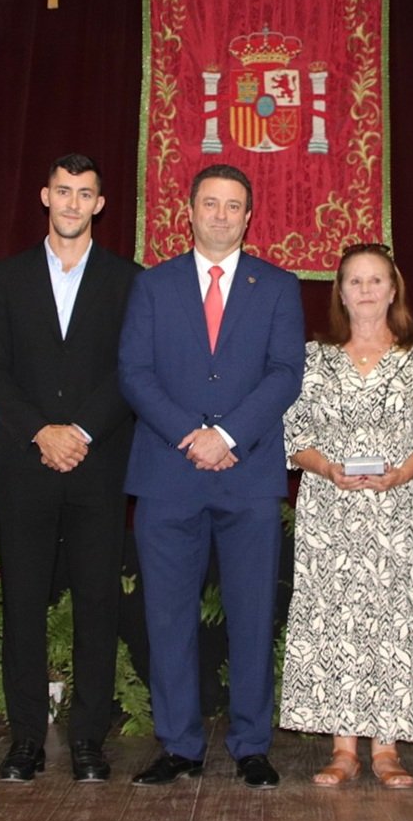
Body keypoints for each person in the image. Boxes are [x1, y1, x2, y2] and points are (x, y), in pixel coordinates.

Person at [118, 164, 305, 788]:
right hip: (168, 473)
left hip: (246, 473)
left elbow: (285, 373)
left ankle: (252, 745)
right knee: (168, 617)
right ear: (189, 212)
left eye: (233, 206)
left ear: (248, 217)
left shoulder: (277, 287)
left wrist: (225, 435)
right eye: (210, 204)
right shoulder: (153, 285)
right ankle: (179, 746)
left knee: (253, 615)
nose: (221, 215)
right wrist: (190, 435)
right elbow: (134, 373)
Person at [0, 154, 139, 783]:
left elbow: (131, 370)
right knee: (22, 604)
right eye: (63, 192)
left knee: (98, 604)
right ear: (45, 196)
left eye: (85, 194)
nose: (73, 203)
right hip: (25, 464)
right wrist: (42, 432)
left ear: (100, 204)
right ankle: (25, 742)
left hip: (98, 466)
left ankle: (89, 742)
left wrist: (82, 432)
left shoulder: (128, 280)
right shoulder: (6, 277)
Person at [280, 243, 413, 787]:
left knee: (393, 618)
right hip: (329, 509)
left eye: (377, 280)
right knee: (334, 619)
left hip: (396, 509)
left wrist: (401, 473)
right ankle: (343, 749)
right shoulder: (314, 357)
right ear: (341, 292)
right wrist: (326, 467)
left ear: (393, 289)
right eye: (356, 281)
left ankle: (388, 749)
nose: (367, 290)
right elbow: (294, 435)